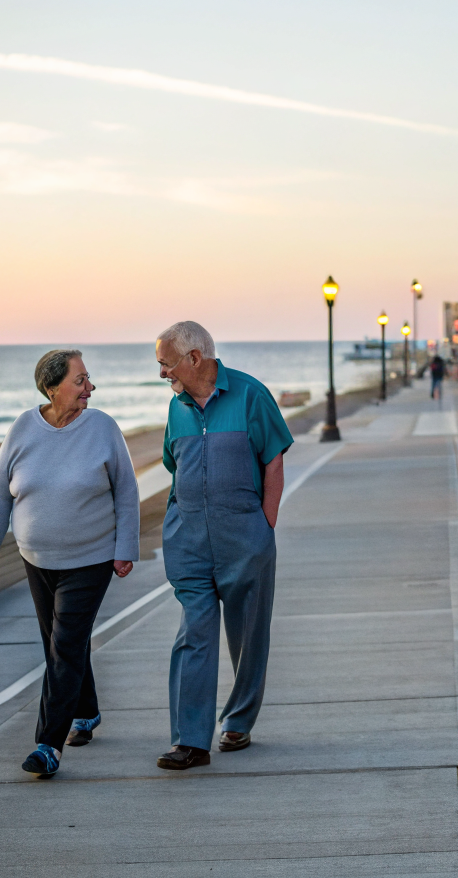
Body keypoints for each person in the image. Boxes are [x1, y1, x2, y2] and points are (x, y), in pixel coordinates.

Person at [0, 349, 139, 779]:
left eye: (88, 379)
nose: (90, 388)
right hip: (37, 558)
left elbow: (126, 490)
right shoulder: (23, 428)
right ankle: (86, 710)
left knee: (64, 644)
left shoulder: (102, 428)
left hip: (91, 557)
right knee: (60, 643)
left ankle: (48, 744)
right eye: (80, 380)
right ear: (52, 388)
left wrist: (126, 547)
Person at [153, 321, 292, 770]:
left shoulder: (251, 395)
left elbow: (273, 461)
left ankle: (238, 718)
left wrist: (263, 528)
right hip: (188, 541)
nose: (162, 373)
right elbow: (175, 465)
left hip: (244, 540)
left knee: (248, 635)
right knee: (194, 633)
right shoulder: (176, 408)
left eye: (166, 364)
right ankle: (189, 741)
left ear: (194, 358)